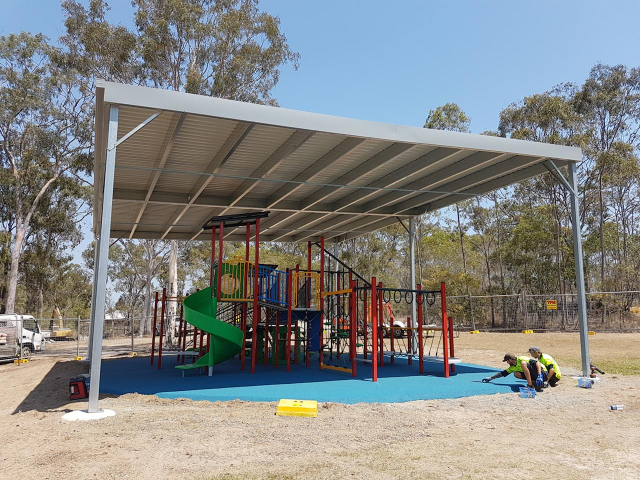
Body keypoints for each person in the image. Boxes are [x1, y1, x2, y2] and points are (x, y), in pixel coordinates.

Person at [482, 353, 548, 391]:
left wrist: (540, 375)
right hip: (536, 376)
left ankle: (530, 385)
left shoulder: (521, 359)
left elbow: (537, 363)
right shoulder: (513, 367)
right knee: (516, 374)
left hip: (542, 373)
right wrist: (490, 378)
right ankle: (540, 384)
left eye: (507, 361)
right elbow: (502, 373)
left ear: (510, 360)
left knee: (523, 364)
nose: (507, 363)